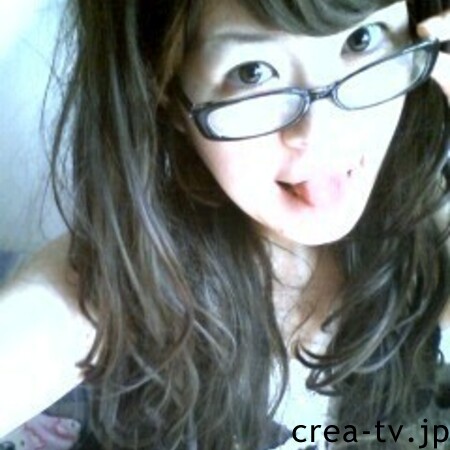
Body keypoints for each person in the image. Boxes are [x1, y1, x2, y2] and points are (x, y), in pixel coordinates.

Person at [1, 0, 450, 449]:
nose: (325, 132)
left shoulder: (424, 218)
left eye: (361, 39)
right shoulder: (124, 277)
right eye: (252, 72)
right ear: (167, 91)